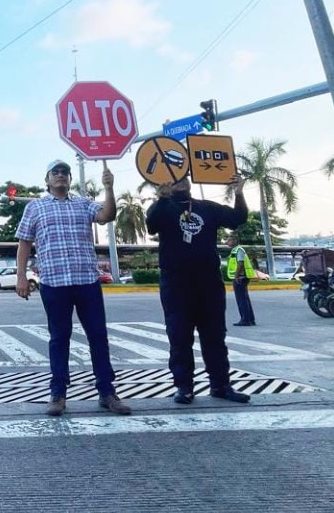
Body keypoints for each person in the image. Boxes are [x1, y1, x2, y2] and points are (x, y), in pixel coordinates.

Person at [15, 159, 131, 417]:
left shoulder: (83, 203)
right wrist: (21, 277)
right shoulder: (35, 207)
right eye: (55, 172)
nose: (60, 176)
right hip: (54, 284)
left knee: (98, 337)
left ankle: (107, 392)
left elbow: (107, 215)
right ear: (47, 180)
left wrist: (109, 188)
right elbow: (24, 244)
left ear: (70, 179)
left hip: (87, 282)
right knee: (59, 338)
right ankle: (58, 394)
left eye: (65, 172)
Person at [145, 175, 252, 405]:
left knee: (215, 336)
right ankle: (184, 388)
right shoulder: (163, 207)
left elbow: (237, 218)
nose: (180, 181)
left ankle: (221, 385)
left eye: (183, 177)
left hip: (209, 284)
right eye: (174, 179)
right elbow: (151, 225)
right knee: (179, 337)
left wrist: (239, 192)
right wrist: (162, 199)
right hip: (176, 285)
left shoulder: (207, 207)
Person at [227, 233, 257, 326]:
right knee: (244, 299)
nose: (227, 242)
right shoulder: (235, 250)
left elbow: (240, 263)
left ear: (235, 241)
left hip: (240, 277)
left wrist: (236, 276)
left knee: (241, 299)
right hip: (241, 277)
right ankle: (250, 319)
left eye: (229, 240)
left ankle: (245, 320)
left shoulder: (238, 250)